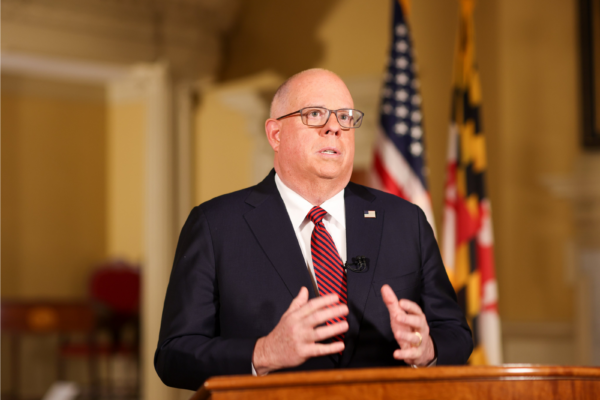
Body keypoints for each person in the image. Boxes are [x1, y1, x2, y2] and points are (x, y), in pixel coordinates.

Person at [155, 69, 472, 391]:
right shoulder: (216, 225)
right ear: (275, 134)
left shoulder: (406, 221)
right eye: (315, 114)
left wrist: (428, 349)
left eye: (345, 117)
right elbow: (174, 356)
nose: (334, 127)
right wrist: (264, 353)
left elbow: (456, 334)